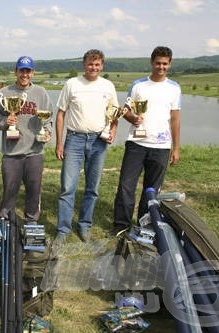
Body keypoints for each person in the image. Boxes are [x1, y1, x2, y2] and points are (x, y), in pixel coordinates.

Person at [112, 46, 181, 236]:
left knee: (151, 190)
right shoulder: (138, 86)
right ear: (151, 63)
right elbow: (124, 109)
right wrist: (134, 119)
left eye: (165, 64)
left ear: (170, 64)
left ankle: (144, 225)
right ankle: (121, 225)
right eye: (158, 63)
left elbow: (175, 119)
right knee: (126, 185)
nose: (161, 67)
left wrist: (176, 148)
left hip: (161, 147)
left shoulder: (174, 88)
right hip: (136, 144)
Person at [54, 49, 119, 244]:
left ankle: (84, 225)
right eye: (90, 64)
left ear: (102, 66)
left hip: (99, 141)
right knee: (67, 186)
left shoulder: (108, 86)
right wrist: (59, 142)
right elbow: (60, 114)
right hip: (74, 139)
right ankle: (63, 229)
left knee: (93, 187)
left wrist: (113, 130)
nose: (94, 68)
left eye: (97, 64)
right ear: (84, 65)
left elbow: (115, 112)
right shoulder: (72, 84)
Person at [0, 56, 53, 225]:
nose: (24, 74)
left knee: (34, 190)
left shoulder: (41, 93)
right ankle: (6, 219)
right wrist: (5, 122)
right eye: (21, 70)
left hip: (35, 151)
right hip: (11, 152)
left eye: (28, 71)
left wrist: (47, 132)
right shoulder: (4, 92)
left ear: (32, 72)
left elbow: (48, 118)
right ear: (16, 71)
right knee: (9, 189)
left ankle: (31, 221)